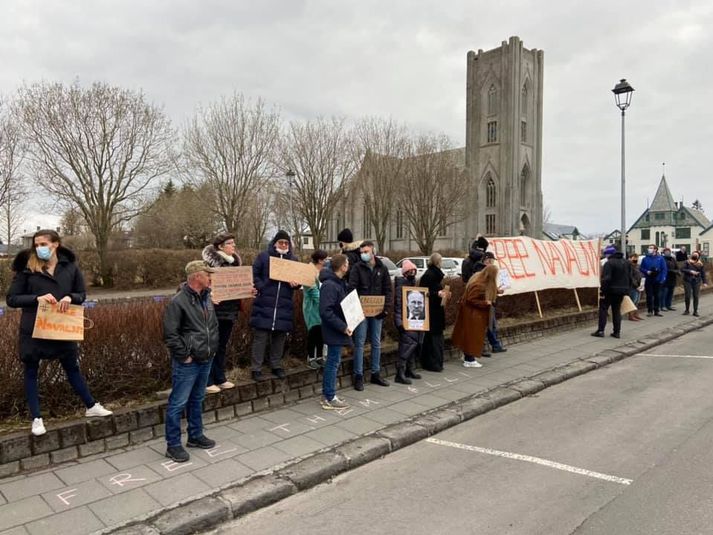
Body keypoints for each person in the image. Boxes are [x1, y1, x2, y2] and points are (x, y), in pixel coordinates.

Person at [7, 229, 113, 437]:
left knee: (72, 367)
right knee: (31, 371)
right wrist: (36, 298)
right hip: (34, 328)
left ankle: (91, 406)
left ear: (56, 244)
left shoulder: (70, 267)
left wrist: (70, 298)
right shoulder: (27, 269)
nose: (39, 248)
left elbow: (82, 294)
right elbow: (12, 299)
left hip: (62, 326)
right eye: (36, 245)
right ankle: (36, 418)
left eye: (43, 244)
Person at [163, 260, 219, 462]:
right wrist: (184, 356)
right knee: (178, 403)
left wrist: (212, 349)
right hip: (188, 362)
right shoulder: (178, 302)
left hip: (206, 358)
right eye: (208, 274)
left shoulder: (206, 298)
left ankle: (195, 436)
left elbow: (210, 326)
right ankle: (173, 445)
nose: (211, 277)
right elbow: (170, 334)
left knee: (197, 399)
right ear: (197, 276)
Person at [250, 230, 300, 381]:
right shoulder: (264, 257)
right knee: (261, 337)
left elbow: (298, 280)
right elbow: (254, 274)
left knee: (280, 337)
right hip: (265, 303)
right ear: (275, 243)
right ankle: (256, 368)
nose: (284, 245)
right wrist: (262, 287)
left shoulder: (293, 259)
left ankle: (276, 365)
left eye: (286, 243)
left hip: (283, 304)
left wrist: (295, 285)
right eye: (281, 242)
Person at [202, 233, 243, 394]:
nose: (233, 246)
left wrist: (248, 290)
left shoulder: (235, 265)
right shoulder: (209, 264)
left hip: (230, 311)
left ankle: (220, 378)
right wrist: (209, 295)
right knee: (211, 346)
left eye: (234, 243)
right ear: (220, 247)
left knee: (222, 346)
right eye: (230, 243)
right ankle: (207, 380)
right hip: (215, 311)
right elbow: (200, 285)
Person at [348, 240, 392, 390]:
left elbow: (388, 290)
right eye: (361, 252)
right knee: (360, 343)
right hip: (361, 312)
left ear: (373, 251)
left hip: (377, 312)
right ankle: (358, 376)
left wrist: (385, 309)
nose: (363, 255)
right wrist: (357, 309)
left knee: (376, 342)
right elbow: (351, 289)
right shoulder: (356, 268)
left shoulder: (382, 268)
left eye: (366, 252)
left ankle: (375, 373)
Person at [318, 254, 352, 410]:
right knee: (332, 363)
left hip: (337, 329)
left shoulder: (338, 283)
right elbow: (326, 311)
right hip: (334, 330)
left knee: (333, 362)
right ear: (342, 266)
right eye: (347, 263)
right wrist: (342, 326)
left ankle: (329, 394)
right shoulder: (330, 285)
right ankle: (329, 397)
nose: (349, 266)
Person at [452, 264, 499, 368]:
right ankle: (469, 360)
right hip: (473, 314)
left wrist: (497, 292)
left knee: (469, 336)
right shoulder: (479, 285)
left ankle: (467, 357)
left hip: (471, 313)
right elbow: (471, 299)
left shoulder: (478, 279)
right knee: (472, 336)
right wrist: (485, 303)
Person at [591, 246, 631, 339]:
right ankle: (617, 332)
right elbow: (629, 277)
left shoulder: (609, 263)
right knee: (616, 310)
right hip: (622, 290)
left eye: (606, 254)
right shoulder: (626, 263)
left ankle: (601, 330)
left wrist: (602, 290)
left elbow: (607, 279)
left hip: (610, 290)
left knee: (603, 309)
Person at [393, 260, 423, 384]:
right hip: (405, 321)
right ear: (405, 273)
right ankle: (400, 373)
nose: (412, 273)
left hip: (413, 320)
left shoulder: (412, 285)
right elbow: (399, 306)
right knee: (406, 346)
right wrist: (399, 322)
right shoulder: (401, 286)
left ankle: (409, 369)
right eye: (410, 271)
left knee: (412, 344)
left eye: (414, 271)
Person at [419, 253, 448, 372]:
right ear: (437, 262)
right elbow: (424, 292)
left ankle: (436, 362)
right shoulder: (429, 275)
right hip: (432, 311)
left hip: (436, 310)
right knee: (433, 337)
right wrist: (437, 293)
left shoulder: (434, 274)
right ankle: (433, 362)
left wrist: (444, 294)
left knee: (436, 337)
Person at [302, 250, 328, 369]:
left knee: (321, 333)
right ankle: (311, 358)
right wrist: (325, 303)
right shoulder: (309, 272)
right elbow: (313, 292)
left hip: (320, 307)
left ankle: (319, 357)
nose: (326, 261)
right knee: (313, 332)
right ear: (320, 260)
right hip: (312, 308)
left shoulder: (319, 272)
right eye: (325, 259)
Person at [639, 244, 667, 317]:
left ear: (655, 249)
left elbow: (664, 269)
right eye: (649, 248)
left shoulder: (660, 258)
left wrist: (663, 278)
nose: (649, 249)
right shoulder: (645, 259)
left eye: (651, 248)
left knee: (657, 295)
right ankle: (650, 310)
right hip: (648, 279)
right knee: (649, 296)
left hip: (657, 279)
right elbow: (641, 268)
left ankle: (656, 310)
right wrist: (647, 271)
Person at [682, 252, 707, 316]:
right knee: (687, 295)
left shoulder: (700, 264)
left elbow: (703, 273)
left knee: (696, 296)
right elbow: (682, 269)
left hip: (696, 281)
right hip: (687, 280)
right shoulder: (687, 262)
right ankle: (687, 310)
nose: (695, 255)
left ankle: (695, 311)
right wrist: (690, 271)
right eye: (694, 254)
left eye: (696, 255)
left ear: (698, 256)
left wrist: (704, 282)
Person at [627, 253, 643, 321]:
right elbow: (630, 277)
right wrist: (636, 285)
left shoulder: (637, 266)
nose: (636, 259)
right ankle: (631, 315)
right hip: (632, 286)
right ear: (630, 258)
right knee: (633, 301)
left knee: (637, 301)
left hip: (639, 285)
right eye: (634, 257)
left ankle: (636, 314)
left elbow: (639, 274)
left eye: (637, 258)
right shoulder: (629, 266)